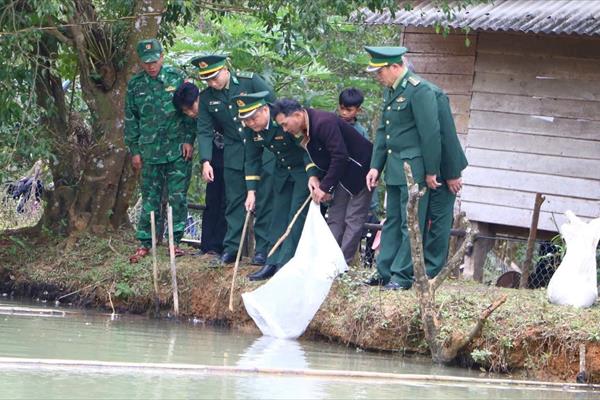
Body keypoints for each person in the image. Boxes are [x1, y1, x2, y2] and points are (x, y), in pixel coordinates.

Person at [364, 46, 441, 290]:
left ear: (395, 67)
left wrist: (431, 171)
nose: (378, 77)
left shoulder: (420, 91)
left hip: (414, 168)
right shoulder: (391, 90)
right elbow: (383, 131)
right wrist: (376, 166)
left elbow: (430, 135)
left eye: (380, 71)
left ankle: (402, 276)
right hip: (395, 167)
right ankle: (384, 271)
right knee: (392, 221)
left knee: (411, 223)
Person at [193, 54, 275, 266]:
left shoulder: (250, 82)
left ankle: (262, 250)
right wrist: (206, 160)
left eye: (214, 77)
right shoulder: (207, 97)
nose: (212, 83)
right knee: (234, 201)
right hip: (234, 154)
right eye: (207, 80)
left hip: (262, 149)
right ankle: (231, 248)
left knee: (264, 200)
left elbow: (273, 108)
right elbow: (203, 130)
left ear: (225, 69)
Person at [272, 99, 373, 264]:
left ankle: (342, 265)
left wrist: (325, 187)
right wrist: (314, 177)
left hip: (361, 170)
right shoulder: (307, 128)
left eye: (284, 124)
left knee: (353, 219)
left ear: (297, 114)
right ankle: (328, 262)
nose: (285, 129)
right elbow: (321, 157)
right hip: (340, 174)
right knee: (335, 217)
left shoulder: (323, 123)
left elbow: (340, 156)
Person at [124, 39, 194, 263]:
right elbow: (131, 120)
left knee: (177, 197)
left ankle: (175, 243)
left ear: (162, 57)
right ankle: (146, 242)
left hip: (176, 151)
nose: (151, 66)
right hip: (149, 152)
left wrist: (188, 140)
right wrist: (134, 151)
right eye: (146, 63)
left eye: (154, 61)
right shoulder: (135, 86)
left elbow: (190, 110)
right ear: (140, 62)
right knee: (150, 199)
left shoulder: (175, 78)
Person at [234, 92, 318, 280]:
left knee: (294, 218)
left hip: (302, 172)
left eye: (254, 118)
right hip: (282, 173)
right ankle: (271, 262)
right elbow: (252, 159)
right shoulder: (251, 130)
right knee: (278, 217)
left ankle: (285, 264)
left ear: (265, 110)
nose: (251, 124)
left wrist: (313, 176)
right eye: (246, 121)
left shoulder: (283, 120)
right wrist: (251, 191)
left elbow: (307, 149)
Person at [172, 82, 227, 256]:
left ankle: (221, 247)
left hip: (231, 161)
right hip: (212, 162)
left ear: (199, 99)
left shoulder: (216, 107)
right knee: (212, 202)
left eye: (190, 108)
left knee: (227, 203)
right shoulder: (196, 120)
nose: (190, 113)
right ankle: (207, 246)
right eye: (186, 112)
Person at [423, 86, 468, 278]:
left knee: (440, 220)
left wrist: (452, 173)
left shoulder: (434, 96)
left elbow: (447, 136)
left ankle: (432, 269)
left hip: (445, 168)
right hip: (424, 167)